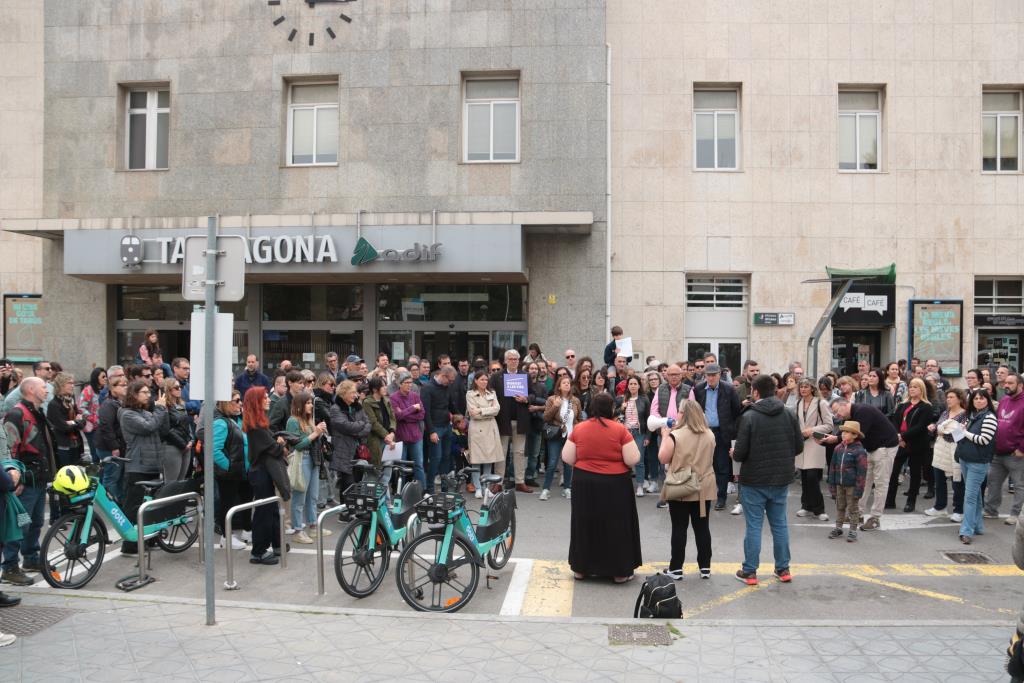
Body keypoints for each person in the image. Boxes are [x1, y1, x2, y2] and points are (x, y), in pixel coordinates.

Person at [731, 374, 803, 586]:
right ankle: (783, 569)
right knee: (779, 524)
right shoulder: (789, 414)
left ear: (755, 392)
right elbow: (798, 447)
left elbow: (740, 454)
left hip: (754, 479)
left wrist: (734, 452)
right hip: (781, 477)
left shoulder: (750, 416)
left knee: (754, 525)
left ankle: (750, 571)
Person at [561, 392, 641, 583]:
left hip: (584, 482)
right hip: (615, 484)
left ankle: (581, 569)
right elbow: (632, 459)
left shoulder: (579, 429)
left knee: (584, 524)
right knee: (616, 525)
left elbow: (567, 457)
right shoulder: (620, 430)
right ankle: (619, 573)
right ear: (611, 408)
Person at [0, 377, 55, 586]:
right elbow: (9, 448)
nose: (47, 390)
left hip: (38, 480)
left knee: (36, 523)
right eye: (43, 386)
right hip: (25, 481)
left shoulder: (37, 412)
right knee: (19, 525)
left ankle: (31, 559)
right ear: (31, 389)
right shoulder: (16, 414)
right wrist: (15, 478)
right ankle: (10, 567)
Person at [657, 399, 716, 580]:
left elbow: (663, 458)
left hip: (681, 485)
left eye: (680, 412)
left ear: (684, 414)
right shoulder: (709, 434)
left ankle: (676, 568)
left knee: (679, 527)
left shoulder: (677, 435)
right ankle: (705, 566)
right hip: (704, 486)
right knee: (702, 528)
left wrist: (665, 436)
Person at [118, 379, 169, 556]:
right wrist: (160, 409)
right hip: (137, 466)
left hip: (152, 463)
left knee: (149, 505)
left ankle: (148, 538)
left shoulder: (145, 412)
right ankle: (130, 545)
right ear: (134, 394)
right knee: (134, 506)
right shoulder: (127, 414)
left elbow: (162, 428)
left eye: (149, 392)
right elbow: (149, 427)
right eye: (145, 392)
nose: (149, 396)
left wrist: (163, 410)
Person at [243, 388, 290, 565]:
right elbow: (272, 448)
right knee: (264, 512)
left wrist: (277, 443)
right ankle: (258, 552)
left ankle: (276, 544)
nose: (268, 400)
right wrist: (280, 444)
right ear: (256, 402)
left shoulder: (259, 422)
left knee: (272, 510)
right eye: (264, 398)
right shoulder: (255, 425)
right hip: (260, 472)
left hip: (263, 471)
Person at [692, 363, 742, 513]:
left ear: (720, 375)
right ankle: (705, 495)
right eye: (709, 375)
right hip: (704, 432)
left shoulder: (729, 389)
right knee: (705, 465)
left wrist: (731, 430)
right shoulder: (698, 389)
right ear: (704, 376)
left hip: (722, 433)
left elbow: (736, 411)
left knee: (721, 466)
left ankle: (721, 498)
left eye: (714, 375)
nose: (712, 377)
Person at [884, 378, 933, 513]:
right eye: (910, 387)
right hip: (900, 442)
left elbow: (921, 426)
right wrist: (898, 436)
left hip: (916, 443)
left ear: (921, 389)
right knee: (894, 472)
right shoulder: (903, 405)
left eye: (915, 387)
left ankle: (911, 501)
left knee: (915, 473)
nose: (912, 389)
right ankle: (890, 500)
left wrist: (903, 436)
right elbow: (894, 421)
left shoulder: (926, 407)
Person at [957, 388, 999, 544]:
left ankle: (966, 531)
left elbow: (984, 440)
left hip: (978, 463)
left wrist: (964, 432)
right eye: (976, 399)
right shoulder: (972, 416)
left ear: (988, 400)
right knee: (974, 496)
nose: (979, 401)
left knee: (969, 497)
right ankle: (978, 526)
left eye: (982, 398)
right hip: (965, 459)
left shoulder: (989, 417)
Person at [212, 389, 251, 550]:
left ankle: (248, 530)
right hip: (230, 472)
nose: (240, 403)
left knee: (247, 499)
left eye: (239, 399)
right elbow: (215, 450)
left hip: (243, 470)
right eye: (236, 400)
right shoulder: (220, 422)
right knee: (227, 503)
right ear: (226, 403)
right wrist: (229, 467)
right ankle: (226, 537)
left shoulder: (238, 420)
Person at [490, 350, 533, 493]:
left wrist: (526, 398)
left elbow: (533, 394)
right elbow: (490, 395)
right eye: (511, 359)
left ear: (519, 361)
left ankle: (520, 482)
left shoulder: (525, 376)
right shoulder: (497, 376)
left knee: (519, 452)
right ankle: (498, 482)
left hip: (520, 420)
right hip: (503, 419)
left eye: (516, 359)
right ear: (505, 361)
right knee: (501, 452)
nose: (513, 361)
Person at [287, 391, 327, 543]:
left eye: (311, 402)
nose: (311, 405)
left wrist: (319, 432)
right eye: (308, 403)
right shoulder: (293, 421)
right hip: (302, 458)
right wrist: (314, 433)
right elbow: (296, 445)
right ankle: (298, 530)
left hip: (313, 458)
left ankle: (313, 526)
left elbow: (312, 441)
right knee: (300, 497)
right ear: (300, 405)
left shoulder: (309, 420)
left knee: (313, 496)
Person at [329, 379, 371, 520]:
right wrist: (359, 426)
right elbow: (345, 426)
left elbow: (368, 424)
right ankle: (346, 513)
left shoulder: (357, 406)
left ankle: (355, 510)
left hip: (358, 449)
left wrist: (357, 429)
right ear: (344, 393)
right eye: (353, 392)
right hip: (344, 450)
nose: (356, 395)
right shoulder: (336, 409)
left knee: (358, 481)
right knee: (347, 483)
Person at [985, 373, 1024, 523]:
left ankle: (1016, 515)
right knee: (993, 482)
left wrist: (1021, 448)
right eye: (1005, 383)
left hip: (1016, 453)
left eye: (1010, 383)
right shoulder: (1004, 400)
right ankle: (990, 510)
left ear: (1020, 385)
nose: (1006, 385)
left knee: (1019, 486)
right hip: (998, 452)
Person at [793, 378, 832, 521]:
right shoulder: (798, 403)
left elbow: (829, 425)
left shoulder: (821, 403)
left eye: (806, 387)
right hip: (802, 443)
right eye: (801, 387)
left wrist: (812, 430)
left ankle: (819, 509)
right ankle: (806, 506)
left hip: (815, 442)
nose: (803, 389)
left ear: (812, 389)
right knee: (804, 476)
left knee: (812, 477)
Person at [927, 388, 968, 521]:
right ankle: (940, 507)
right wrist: (934, 427)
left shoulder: (965, 414)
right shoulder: (946, 412)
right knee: (938, 479)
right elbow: (940, 426)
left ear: (960, 399)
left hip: (956, 450)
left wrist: (942, 431)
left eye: (951, 397)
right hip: (940, 449)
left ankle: (959, 510)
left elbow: (960, 434)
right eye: (947, 397)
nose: (948, 400)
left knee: (957, 480)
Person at [541, 374, 581, 501]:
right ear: (559, 386)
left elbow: (579, 418)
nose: (567, 385)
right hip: (556, 434)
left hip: (570, 436)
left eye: (568, 383)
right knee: (552, 463)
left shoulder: (575, 401)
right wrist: (556, 406)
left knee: (568, 463)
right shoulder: (552, 399)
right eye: (564, 383)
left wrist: (577, 429)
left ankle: (567, 488)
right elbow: (546, 417)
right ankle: (546, 489)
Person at [827, 421, 868, 542]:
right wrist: (832, 485)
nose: (843, 434)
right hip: (839, 484)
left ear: (855, 435)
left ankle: (853, 530)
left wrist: (859, 490)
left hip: (852, 486)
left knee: (853, 508)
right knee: (840, 506)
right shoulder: (838, 448)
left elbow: (862, 472)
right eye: (843, 432)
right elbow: (832, 467)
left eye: (847, 432)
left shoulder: (859, 451)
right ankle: (838, 528)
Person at [465, 370, 504, 498]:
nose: (484, 382)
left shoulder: (492, 393)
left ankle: (485, 488)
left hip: (490, 428)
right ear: (475, 381)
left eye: (486, 380)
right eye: (481, 379)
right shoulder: (470, 394)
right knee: (476, 460)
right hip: (476, 429)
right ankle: (477, 488)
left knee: (489, 459)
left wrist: (481, 410)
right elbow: (472, 414)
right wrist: (488, 411)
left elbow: (497, 409)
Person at [422, 367, 458, 494]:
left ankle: (444, 487)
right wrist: (431, 431)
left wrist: (459, 416)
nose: (451, 383)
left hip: (446, 426)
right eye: (450, 380)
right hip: (435, 428)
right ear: (443, 375)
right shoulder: (427, 388)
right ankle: (430, 488)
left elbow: (451, 405)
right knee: (435, 458)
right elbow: (425, 412)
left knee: (446, 457)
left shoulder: (447, 387)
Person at [616, 376, 650, 497]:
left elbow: (648, 419)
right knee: (623, 459)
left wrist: (647, 437)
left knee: (639, 460)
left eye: (635, 384)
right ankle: (624, 485)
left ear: (639, 386)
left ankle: (640, 485)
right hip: (625, 432)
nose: (633, 386)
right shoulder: (622, 399)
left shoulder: (644, 399)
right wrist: (621, 408)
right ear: (628, 386)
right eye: (631, 384)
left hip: (639, 432)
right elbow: (614, 413)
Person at [96, 374, 128, 503]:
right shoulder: (108, 404)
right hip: (108, 447)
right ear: (113, 388)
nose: (126, 387)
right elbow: (106, 427)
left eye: (126, 385)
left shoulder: (120, 402)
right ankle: (109, 505)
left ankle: (118, 502)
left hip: (118, 444)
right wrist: (114, 447)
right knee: (111, 477)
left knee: (118, 476)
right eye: (122, 385)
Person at [47, 373, 85, 475]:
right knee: (66, 475)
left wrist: (74, 422)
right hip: (63, 446)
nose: (72, 386)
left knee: (77, 474)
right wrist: (76, 421)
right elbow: (64, 427)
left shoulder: (70, 402)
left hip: (76, 443)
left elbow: (82, 422)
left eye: (73, 383)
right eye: (69, 383)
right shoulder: (54, 405)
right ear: (61, 384)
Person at [160, 377, 192, 483]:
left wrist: (191, 439)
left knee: (181, 481)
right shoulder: (164, 407)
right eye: (176, 387)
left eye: (180, 387)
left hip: (186, 446)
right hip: (172, 447)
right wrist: (183, 444)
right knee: (171, 483)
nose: (180, 389)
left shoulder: (180, 405)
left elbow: (187, 424)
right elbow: (166, 430)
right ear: (169, 390)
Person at [363, 376, 397, 474]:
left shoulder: (386, 400)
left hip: (389, 439)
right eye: (382, 386)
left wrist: (392, 433)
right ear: (374, 389)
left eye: (386, 385)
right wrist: (387, 435)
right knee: (377, 471)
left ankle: (386, 490)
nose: (385, 387)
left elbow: (392, 418)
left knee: (388, 471)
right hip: (376, 440)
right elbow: (373, 422)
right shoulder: (367, 402)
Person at [77, 367, 106, 462]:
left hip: (102, 425)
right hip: (92, 427)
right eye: (103, 376)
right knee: (95, 451)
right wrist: (94, 418)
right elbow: (81, 407)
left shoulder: (105, 390)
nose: (106, 378)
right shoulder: (88, 390)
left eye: (106, 376)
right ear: (96, 378)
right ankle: (95, 471)